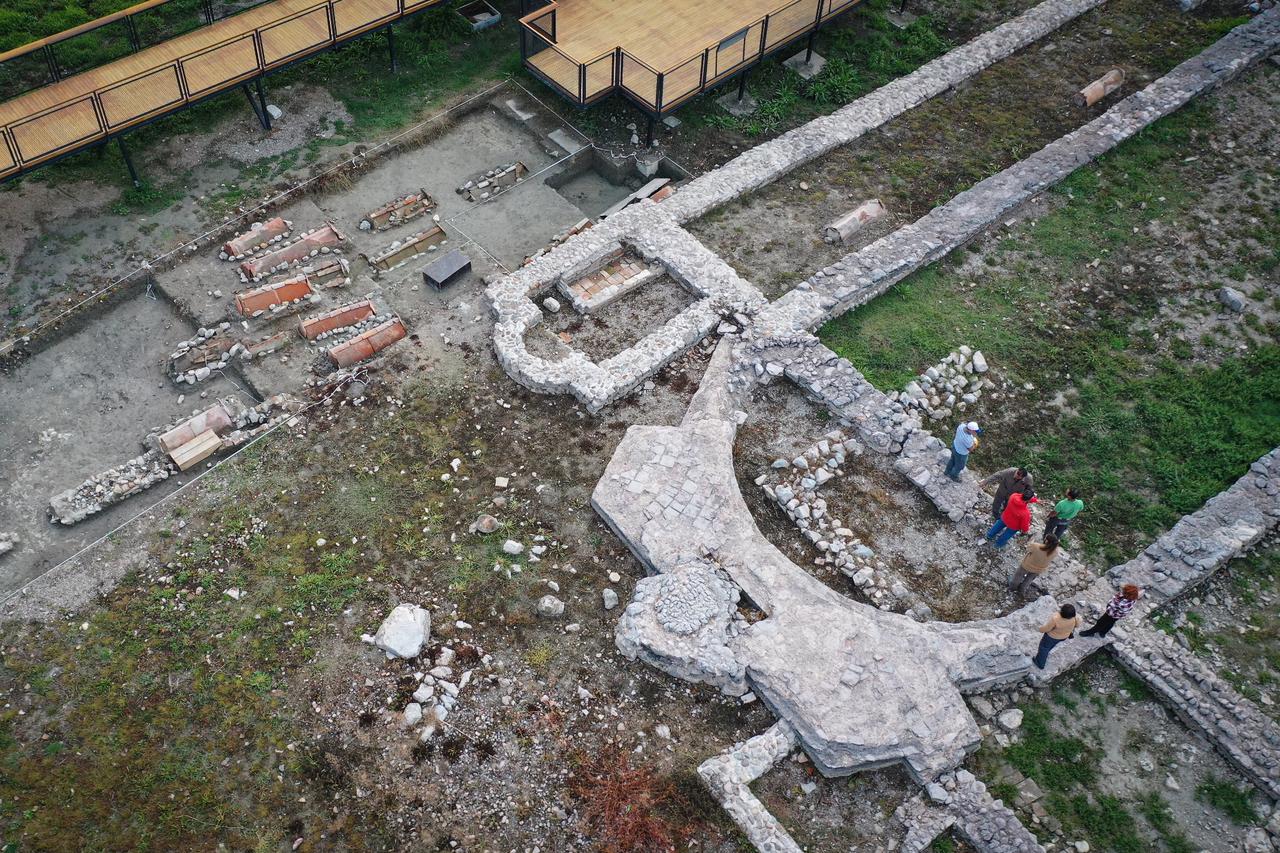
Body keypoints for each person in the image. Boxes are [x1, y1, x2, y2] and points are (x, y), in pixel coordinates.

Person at [1034, 602, 1081, 669]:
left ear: (1062, 612)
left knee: (1044, 648)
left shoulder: (1055, 618)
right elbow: (1077, 625)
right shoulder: (1075, 618)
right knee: (1050, 646)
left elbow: (1047, 628)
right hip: (1064, 636)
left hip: (1051, 637)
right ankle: (1045, 653)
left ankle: (1040, 663)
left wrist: (1040, 629)